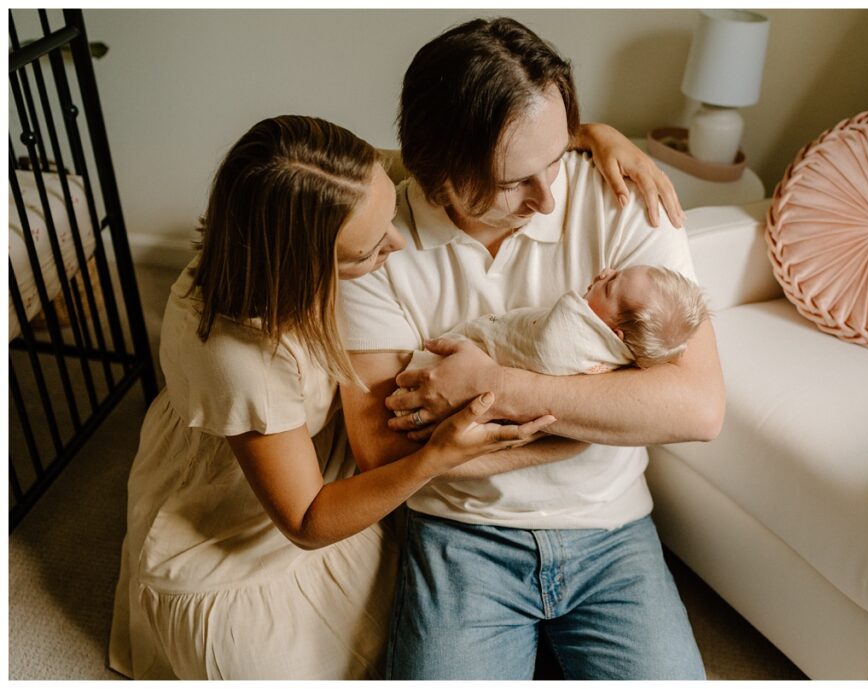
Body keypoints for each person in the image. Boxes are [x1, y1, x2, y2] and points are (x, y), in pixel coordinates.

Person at [106, 114, 682, 679]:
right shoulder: (241, 358)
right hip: (259, 512)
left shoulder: (332, 184)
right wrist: (438, 457)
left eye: (388, 214)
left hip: (341, 457)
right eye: (369, 251)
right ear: (304, 264)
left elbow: (465, 153)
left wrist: (592, 136)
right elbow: (307, 520)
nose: (400, 241)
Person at [338, 17, 725, 681]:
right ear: (440, 173)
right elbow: (382, 447)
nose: (549, 197)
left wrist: (496, 387)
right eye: (515, 180)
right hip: (462, 536)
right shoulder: (377, 246)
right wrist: (581, 430)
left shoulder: (617, 193)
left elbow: (696, 406)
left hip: (612, 530)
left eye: (557, 158)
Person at [391, 265, 708, 427]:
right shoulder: (620, 359)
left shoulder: (566, 333)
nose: (604, 272)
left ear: (616, 335)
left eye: (610, 285)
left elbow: (550, 341)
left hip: (464, 358)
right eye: (616, 271)